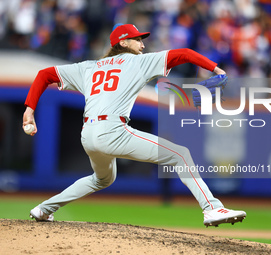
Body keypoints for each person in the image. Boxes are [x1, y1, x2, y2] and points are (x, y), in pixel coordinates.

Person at [23, 24, 246, 227]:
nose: (142, 44)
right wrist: (216, 69)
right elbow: (185, 54)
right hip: (112, 131)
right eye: (137, 39)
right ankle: (212, 208)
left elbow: (45, 74)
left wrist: (29, 110)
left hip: (88, 134)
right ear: (123, 43)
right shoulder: (139, 61)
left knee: (102, 179)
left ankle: (44, 209)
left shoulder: (88, 67)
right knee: (181, 154)